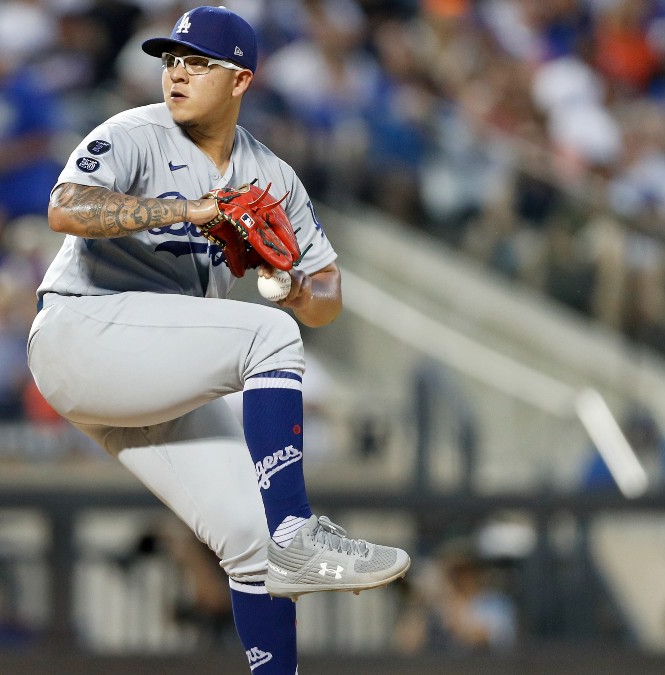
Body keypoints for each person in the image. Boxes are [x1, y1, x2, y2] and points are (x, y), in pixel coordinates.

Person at [27, 7, 409, 673]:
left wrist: (291, 285)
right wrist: (186, 210)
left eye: (198, 62)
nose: (177, 71)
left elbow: (327, 299)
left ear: (240, 80)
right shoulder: (134, 133)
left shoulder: (272, 176)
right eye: (172, 59)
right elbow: (66, 207)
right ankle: (299, 529)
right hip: (81, 329)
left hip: (155, 372)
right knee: (267, 336)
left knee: (248, 538)